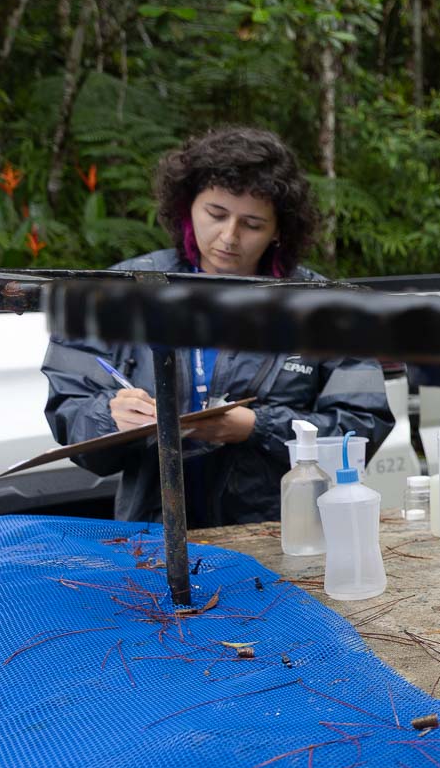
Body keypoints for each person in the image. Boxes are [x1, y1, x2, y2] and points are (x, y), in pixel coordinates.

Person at [41, 127, 393, 526]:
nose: (229, 237)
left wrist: (259, 428)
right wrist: (110, 416)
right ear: (187, 204)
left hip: (282, 536)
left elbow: (362, 426)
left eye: (253, 224)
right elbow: (69, 414)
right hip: (154, 538)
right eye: (216, 214)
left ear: (279, 229)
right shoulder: (117, 294)